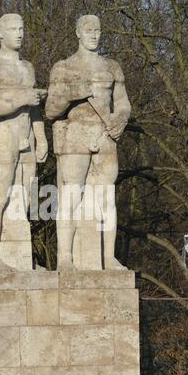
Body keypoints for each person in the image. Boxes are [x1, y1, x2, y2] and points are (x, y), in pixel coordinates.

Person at [45, 14, 131, 270]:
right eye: (88, 29)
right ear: (78, 33)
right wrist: (74, 93)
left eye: (97, 30)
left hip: (105, 135)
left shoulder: (112, 67)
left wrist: (122, 119)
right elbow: (50, 110)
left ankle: (109, 257)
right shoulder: (64, 68)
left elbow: (123, 102)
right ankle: (65, 258)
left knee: (106, 197)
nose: (94, 34)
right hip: (75, 135)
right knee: (71, 195)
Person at [0, 13, 48, 271]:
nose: (19, 33)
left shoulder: (27, 67)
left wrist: (41, 137)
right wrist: (22, 99)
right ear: (1, 32)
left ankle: (21, 261)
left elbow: (35, 108)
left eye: (21, 28)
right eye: (13, 29)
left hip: (27, 137)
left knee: (25, 201)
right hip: (3, 136)